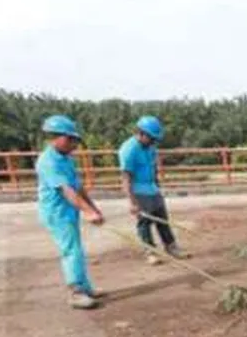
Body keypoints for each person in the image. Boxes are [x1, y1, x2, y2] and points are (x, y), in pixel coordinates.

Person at [36, 114, 105, 309]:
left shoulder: (65, 158)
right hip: (57, 212)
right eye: (70, 139)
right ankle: (76, 292)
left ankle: (85, 287)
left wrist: (93, 208)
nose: (74, 144)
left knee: (76, 249)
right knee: (71, 250)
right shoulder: (48, 161)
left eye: (75, 140)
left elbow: (77, 186)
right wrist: (87, 212)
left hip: (69, 209)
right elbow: (66, 190)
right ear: (55, 137)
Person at [118, 115, 188, 265]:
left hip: (152, 188)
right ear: (141, 133)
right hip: (139, 191)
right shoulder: (128, 150)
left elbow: (153, 166)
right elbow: (126, 178)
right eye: (151, 138)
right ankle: (150, 251)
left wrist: (157, 185)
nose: (154, 141)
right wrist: (132, 202)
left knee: (162, 219)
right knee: (144, 223)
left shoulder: (150, 147)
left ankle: (171, 247)